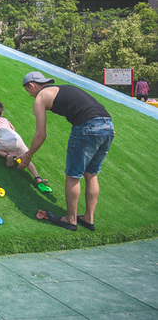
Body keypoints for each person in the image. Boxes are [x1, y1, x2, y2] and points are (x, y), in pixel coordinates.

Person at [19, 71, 114, 232]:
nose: (30, 95)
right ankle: (88, 218)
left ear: (32, 85)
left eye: (28, 91)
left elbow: (41, 135)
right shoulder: (61, 89)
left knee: (73, 175)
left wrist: (28, 156)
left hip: (87, 127)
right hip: (108, 126)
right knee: (91, 174)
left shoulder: (41, 97)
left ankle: (70, 219)